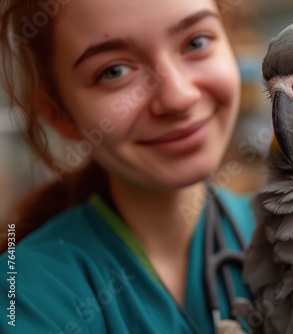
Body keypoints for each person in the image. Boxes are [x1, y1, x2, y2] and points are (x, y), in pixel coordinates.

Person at [0, 0, 255, 333]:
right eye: (114, 71)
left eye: (196, 42)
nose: (179, 97)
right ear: (59, 113)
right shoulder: (25, 297)